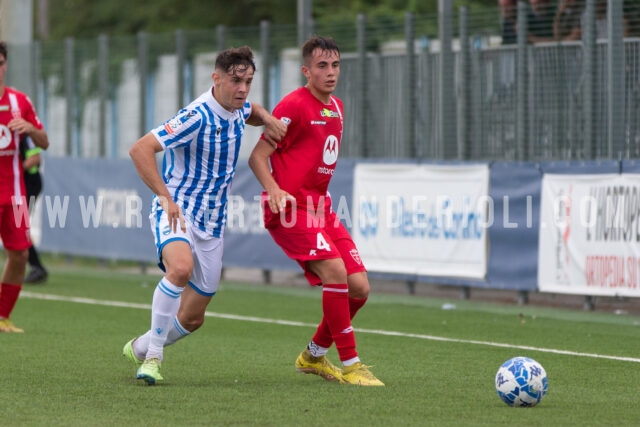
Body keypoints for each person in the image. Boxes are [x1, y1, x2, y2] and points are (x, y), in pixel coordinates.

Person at [122, 46, 286, 385]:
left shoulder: (239, 108)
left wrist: (267, 117)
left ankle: (141, 346)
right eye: (235, 80)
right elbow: (140, 149)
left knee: (193, 319)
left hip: (213, 224)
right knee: (179, 269)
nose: (242, 88)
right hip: (178, 211)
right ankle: (152, 360)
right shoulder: (196, 116)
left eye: (248, 81)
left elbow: (250, 111)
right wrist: (165, 198)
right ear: (217, 78)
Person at [248, 36, 384, 386]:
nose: (330, 72)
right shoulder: (293, 105)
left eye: (335, 65)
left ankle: (314, 354)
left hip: (322, 209)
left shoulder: (337, 107)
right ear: (306, 70)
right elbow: (257, 157)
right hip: (290, 210)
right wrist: (275, 190)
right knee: (336, 272)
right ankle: (352, 365)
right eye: (322, 66)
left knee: (359, 287)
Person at [0, 41, 50, 333]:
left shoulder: (20, 102)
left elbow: (44, 142)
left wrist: (30, 129)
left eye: (1, 62)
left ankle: (2, 315)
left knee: (19, 254)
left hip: (15, 196)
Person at [20, 135, 48, 284]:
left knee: (19, 225)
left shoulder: (24, 135)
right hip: (18, 187)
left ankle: (37, 267)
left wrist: (16, 170)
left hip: (29, 186)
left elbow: (35, 158)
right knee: (17, 226)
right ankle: (35, 266)